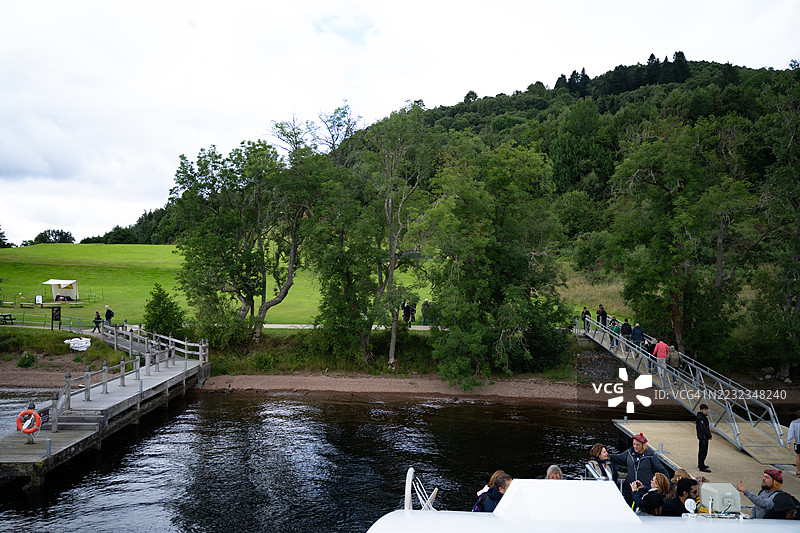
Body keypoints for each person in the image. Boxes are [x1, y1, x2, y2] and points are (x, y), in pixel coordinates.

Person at [609, 433, 669, 504]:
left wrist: (669, 484)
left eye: (637, 445)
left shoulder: (650, 455)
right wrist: (607, 456)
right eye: (634, 444)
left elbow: (661, 470)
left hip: (644, 489)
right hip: (630, 488)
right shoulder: (629, 453)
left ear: (643, 445)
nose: (635, 446)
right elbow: (618, 458)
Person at [696, 404, 712, 473]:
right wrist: (709, 435)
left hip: (704, 437)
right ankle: (701, 467)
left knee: (703, 451)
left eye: (707, 409)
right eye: (705, 409)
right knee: (703, 451)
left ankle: (701, 464)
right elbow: (703, 428)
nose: (706, 411)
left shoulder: (703, 417)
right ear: (702, 410)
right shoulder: (700, 418)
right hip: (703, 437)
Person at [787, 409, 800, 477]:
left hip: (798, 443)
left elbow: (791, 433)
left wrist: (788, 443)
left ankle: (798, 472)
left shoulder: (794, 423)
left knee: (798, 456)